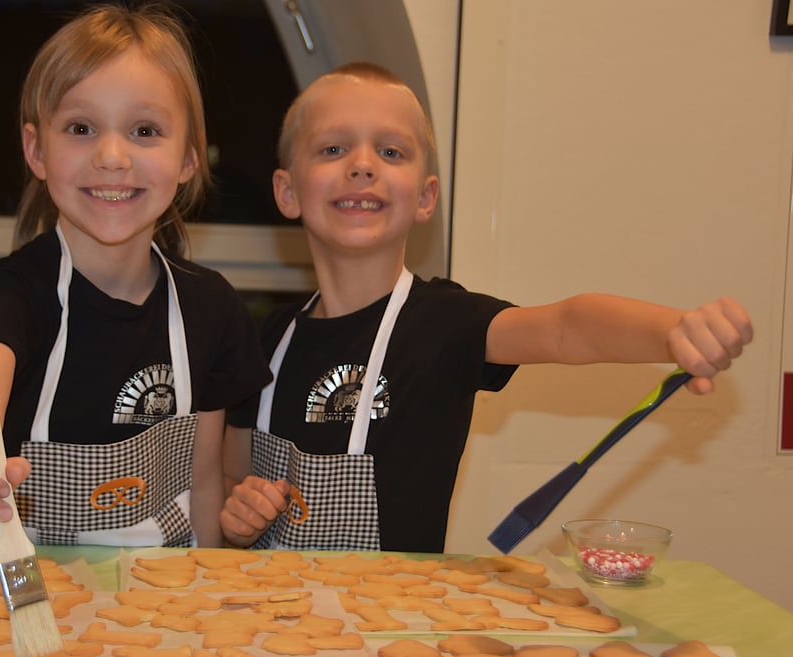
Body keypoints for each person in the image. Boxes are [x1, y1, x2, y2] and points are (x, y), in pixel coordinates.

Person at [220, 62, 754, 553]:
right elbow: (232, 480)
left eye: (391, 152)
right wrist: (239, 513)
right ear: (287, 192)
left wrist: (675, 331)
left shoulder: (444, 324)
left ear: (426, 196)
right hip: (275, 626)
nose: (362, 166)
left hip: (395, 635)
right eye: (333, 149)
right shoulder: (266, 340)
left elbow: (567, 327)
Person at [0, 3, 270, 549]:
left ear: (188, 159)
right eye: (81, 127)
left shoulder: (212, 310)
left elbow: (204, 483)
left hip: (164, 607)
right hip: (30, 596)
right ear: (37, 150)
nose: (112, 156)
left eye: (144, 130)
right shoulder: (15, 294)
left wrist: (208, 600)